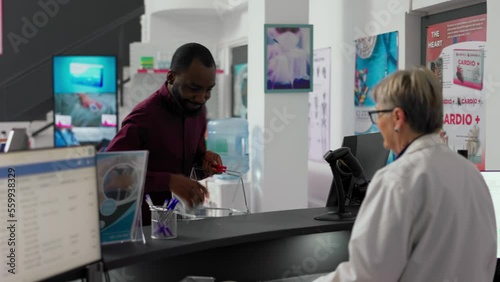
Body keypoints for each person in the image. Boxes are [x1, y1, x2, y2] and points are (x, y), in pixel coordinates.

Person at [314, 67, 496, 282]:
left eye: (378, 114)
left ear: (398, 117)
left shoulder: (397, 180)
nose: (378, 123)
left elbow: (366, 277)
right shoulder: (471, 174)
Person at [106, 43, 223, 224]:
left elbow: (192, 167)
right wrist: (168, 181)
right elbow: (110, 175)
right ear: (171, 77)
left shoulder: (198, 113)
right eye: (193, 88)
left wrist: (205, 164)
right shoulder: (144, 117)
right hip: (142, 229)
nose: (201, 98)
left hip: (177, 224)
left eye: (208, 90)